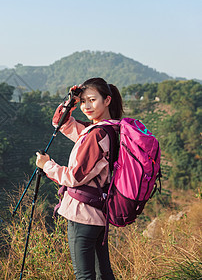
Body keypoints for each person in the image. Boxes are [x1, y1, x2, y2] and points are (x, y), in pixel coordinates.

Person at [36, 77, 123, 280]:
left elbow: (75, 177)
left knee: (84, 275)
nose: (86, 106)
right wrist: (71, 101)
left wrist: (46, 165)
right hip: (98, 214)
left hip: (83, 215)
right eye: (84, 101)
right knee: (103, 273)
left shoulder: (96, 135)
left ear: (107, 100)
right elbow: (60, 123)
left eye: (92, 100)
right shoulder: (106, 130)